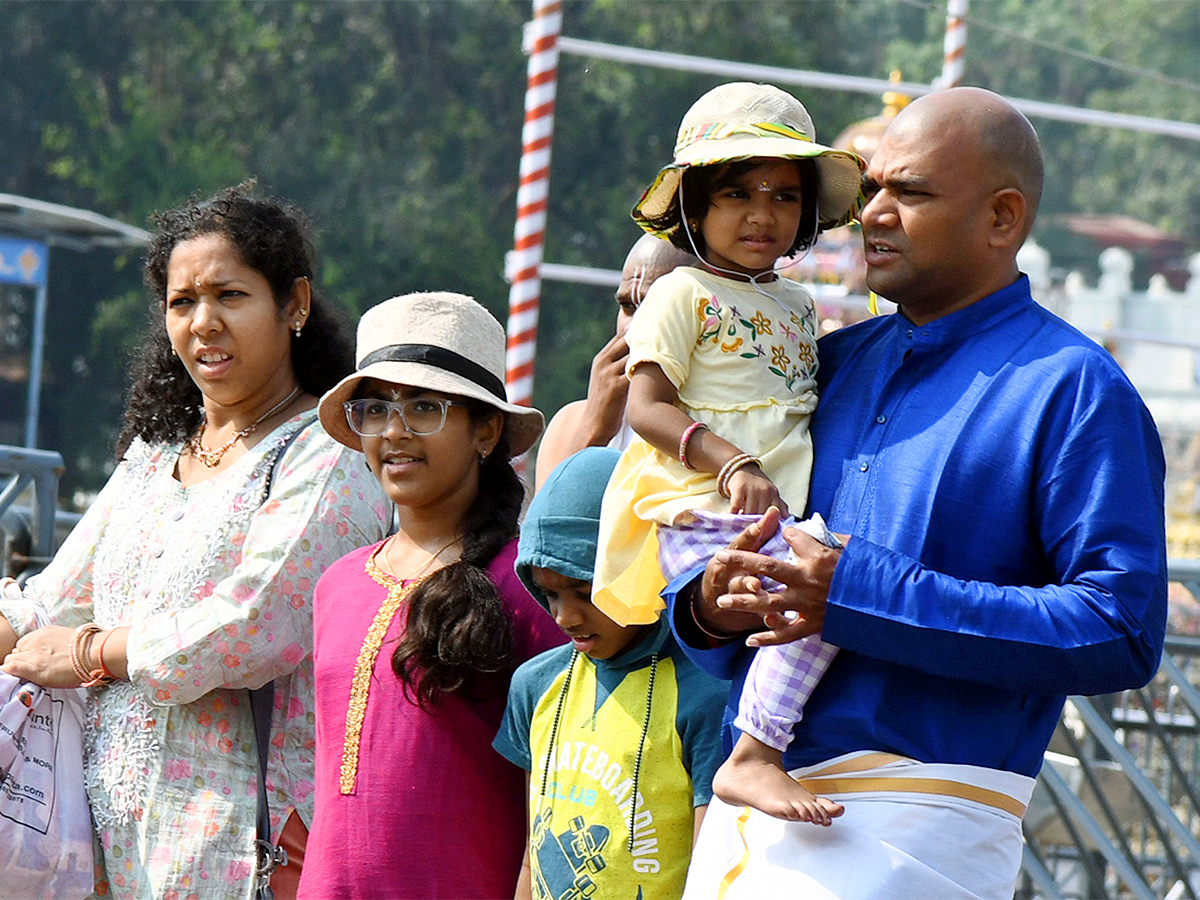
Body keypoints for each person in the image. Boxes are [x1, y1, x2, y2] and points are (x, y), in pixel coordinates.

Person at [669, 87, 1167, 899]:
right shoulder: (824, 365)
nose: (876, 214)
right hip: (744, 812)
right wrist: (711, 604)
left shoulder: (1074, 390)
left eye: (913, 193)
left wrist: (859, 593)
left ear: (1003, 217)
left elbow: (1119, 629)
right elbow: (722, 592)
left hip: (927, 819)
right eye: (872, 190)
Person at [0, 182, 391, 899]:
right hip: (95, 847)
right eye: (183, 303)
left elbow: (254, 625)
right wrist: (16, 630)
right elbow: (51, 602)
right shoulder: (158, 453)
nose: (204, 322)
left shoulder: (328, 453)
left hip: (229, 846)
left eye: (230, 296)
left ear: (294, 303)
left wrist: (89, 651)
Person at [589, 82, 864, 823]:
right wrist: (731, 462)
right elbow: (646, 407)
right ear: (696, 208)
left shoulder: (802, 308)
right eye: (737, 192)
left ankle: (743, 762)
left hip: (774, 517)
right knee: (830, 591)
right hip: (699, 510)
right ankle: (755, 755)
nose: (760, 213)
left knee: (829, 591)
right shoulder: (682, 294)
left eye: (782, 194)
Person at [298, 291, 565, 899]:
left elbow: (557, 788)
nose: (394, 431)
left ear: (487, 430)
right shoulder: (337, 584)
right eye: (375, 409)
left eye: (424, 406)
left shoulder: (529, 588)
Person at [495, 447, 727, 899]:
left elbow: (710, 868)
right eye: (550, 594)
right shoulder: (534, 686)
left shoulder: (705, 693)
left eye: (585, 591)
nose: (564, 617)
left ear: (640, 568)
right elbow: (532, 852)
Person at [534, 234, 697, 489]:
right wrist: (593, 430)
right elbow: (549, 526)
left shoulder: (734, 424)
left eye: (658, 306)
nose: (634, 326)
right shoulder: (571, 422)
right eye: (628, 307)